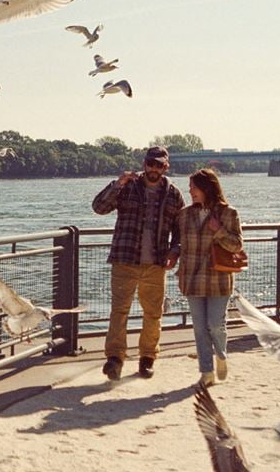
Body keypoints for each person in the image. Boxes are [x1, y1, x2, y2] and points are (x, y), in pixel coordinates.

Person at [92, 145, 185, 380]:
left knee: (153, 313)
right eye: (150, 163)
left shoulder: (174, 194)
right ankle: (114, 358)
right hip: (125, 260)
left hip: (156, 263)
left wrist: (175, 252)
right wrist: (118, 184)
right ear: (144, 163)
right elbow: (99, 208)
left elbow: (181, 230)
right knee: (119, 311)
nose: (153, 168)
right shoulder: (128, 187)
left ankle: (147, 358)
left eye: (159, 165)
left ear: (166, 167)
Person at [175, 168, 243, 387]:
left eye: (194, 187)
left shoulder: (228, 213)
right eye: (190, 187)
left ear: (207, 188)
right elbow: (180, 245)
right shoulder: (185, 214)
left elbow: (237, 245)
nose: (190, 191)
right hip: (192, 278)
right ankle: (206, 372)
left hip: (218, 278)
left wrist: (220, 230)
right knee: (199, 328)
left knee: (215, 324)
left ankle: (221, 355)